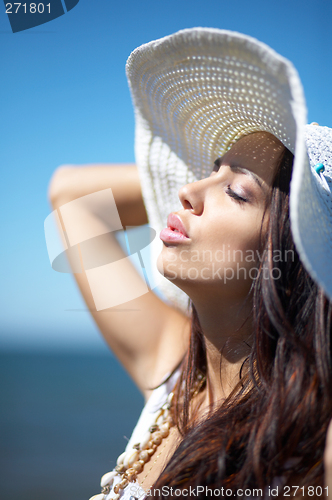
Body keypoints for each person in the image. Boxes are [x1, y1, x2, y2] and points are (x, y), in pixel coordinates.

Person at [47, 28, 332, 499]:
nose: (187, 190)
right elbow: (71, 198)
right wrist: (207, 184)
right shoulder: (173, 373)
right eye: (208, 170)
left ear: (290, 256)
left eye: (238, 192)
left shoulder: (313, 446)